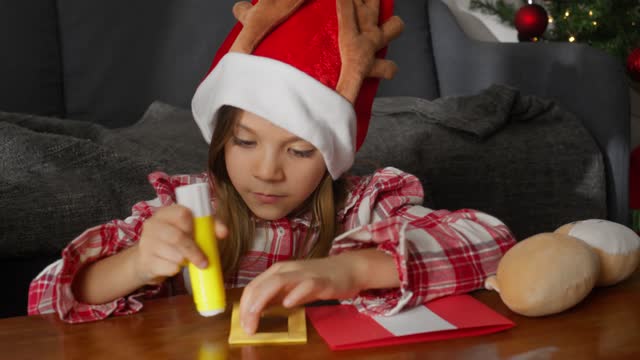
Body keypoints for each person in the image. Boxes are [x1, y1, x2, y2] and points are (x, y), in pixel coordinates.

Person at [28, 0, 516, 335]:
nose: (266, 171)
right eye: (244, 141)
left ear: (330, 156)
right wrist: (135, 264)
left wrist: (349, 270)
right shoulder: (185, 210)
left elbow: (492, 242)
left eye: (300, 151)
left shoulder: (366, 208)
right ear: (221, 140)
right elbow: (47, 299)